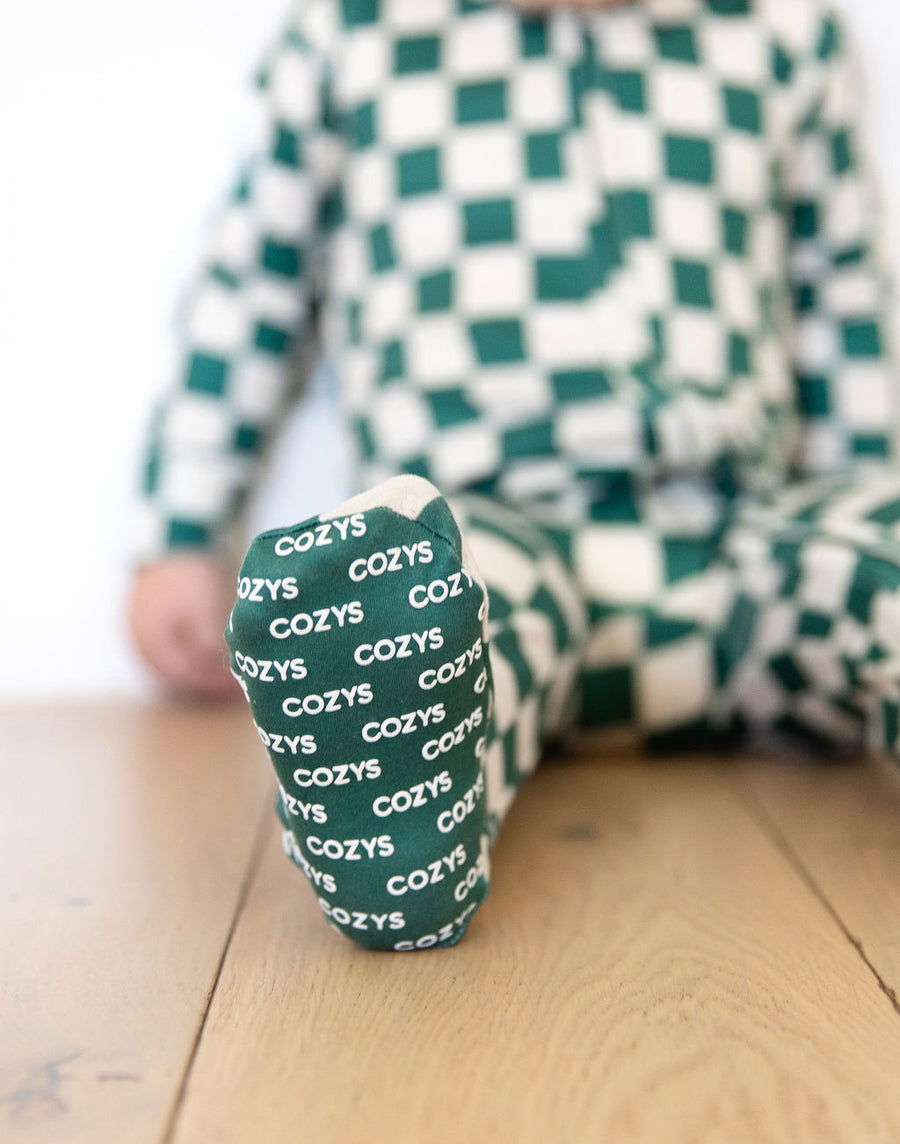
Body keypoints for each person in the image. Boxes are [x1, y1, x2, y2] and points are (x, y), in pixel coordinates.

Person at [129, 0, 900, 950]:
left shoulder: (781, 33)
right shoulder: (353, 38)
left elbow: (843, 296)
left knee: (860, 565)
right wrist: (180, 533)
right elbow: (253, 291)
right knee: (442, 630)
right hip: (488, 534)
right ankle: (403, 823)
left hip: (738, 545)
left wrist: (860, 495)